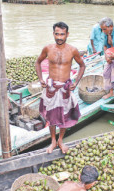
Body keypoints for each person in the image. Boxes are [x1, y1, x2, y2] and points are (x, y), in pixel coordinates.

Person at [36, 22, 86, 154]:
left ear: (67, 35)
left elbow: (82, 65)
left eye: (62, 34)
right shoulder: (47, 49)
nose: (59, 37)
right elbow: (38, 62)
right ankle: (53, 141)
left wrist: (76, 81)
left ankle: (60, 140)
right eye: (57, 34)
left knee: (65, 116)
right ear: (53, 34)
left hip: (65, 88)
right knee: (51, 116)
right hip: (51, 87)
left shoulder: (72, 50)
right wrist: (41, 79)